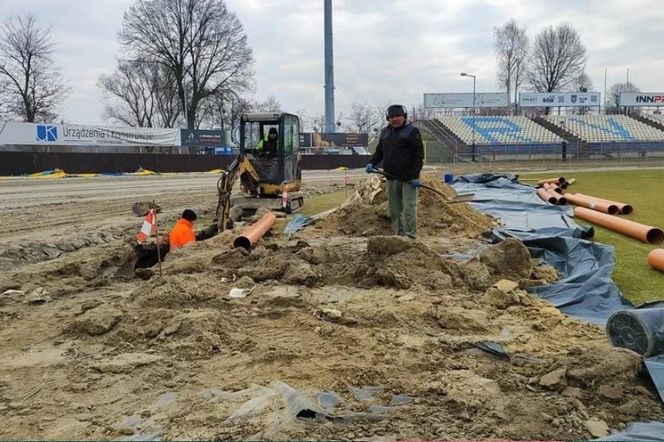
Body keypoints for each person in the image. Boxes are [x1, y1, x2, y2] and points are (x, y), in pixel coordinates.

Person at [365, 104, 424, 239]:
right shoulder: (385, 133)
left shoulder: (412, 131)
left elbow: (418, 155)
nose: (395, 119)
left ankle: (410, 236)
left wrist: (415, 176)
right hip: (391, 177)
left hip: (408, 179)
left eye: (398, 116)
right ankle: (399, 235)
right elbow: (380, 152)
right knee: (394, 210)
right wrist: (372, 163)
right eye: (392, 117)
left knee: (409, 208)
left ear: (404, 117)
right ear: (388, 118)